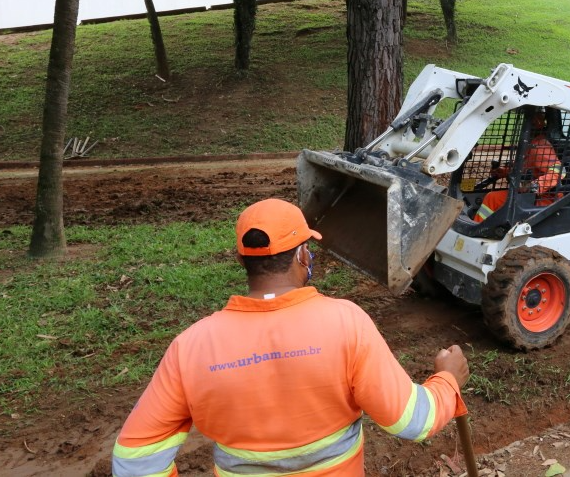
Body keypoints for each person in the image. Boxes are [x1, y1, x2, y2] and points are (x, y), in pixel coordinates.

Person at [112, 198, 470, 477]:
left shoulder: (190, 346)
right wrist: (447, 379)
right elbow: (413, 421)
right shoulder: (346, 323)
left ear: (242, 260)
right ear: (303, 254)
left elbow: (135, 459)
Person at [474, 111, 565, 222]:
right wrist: (504, 172)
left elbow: (560, 171)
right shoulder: (530, 145)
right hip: (531, 195)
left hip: (546, 199)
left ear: (533, 127)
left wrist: (536, 186)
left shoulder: (540, 147)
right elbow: (526, 169)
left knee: (492, 198)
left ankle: (477, 228)